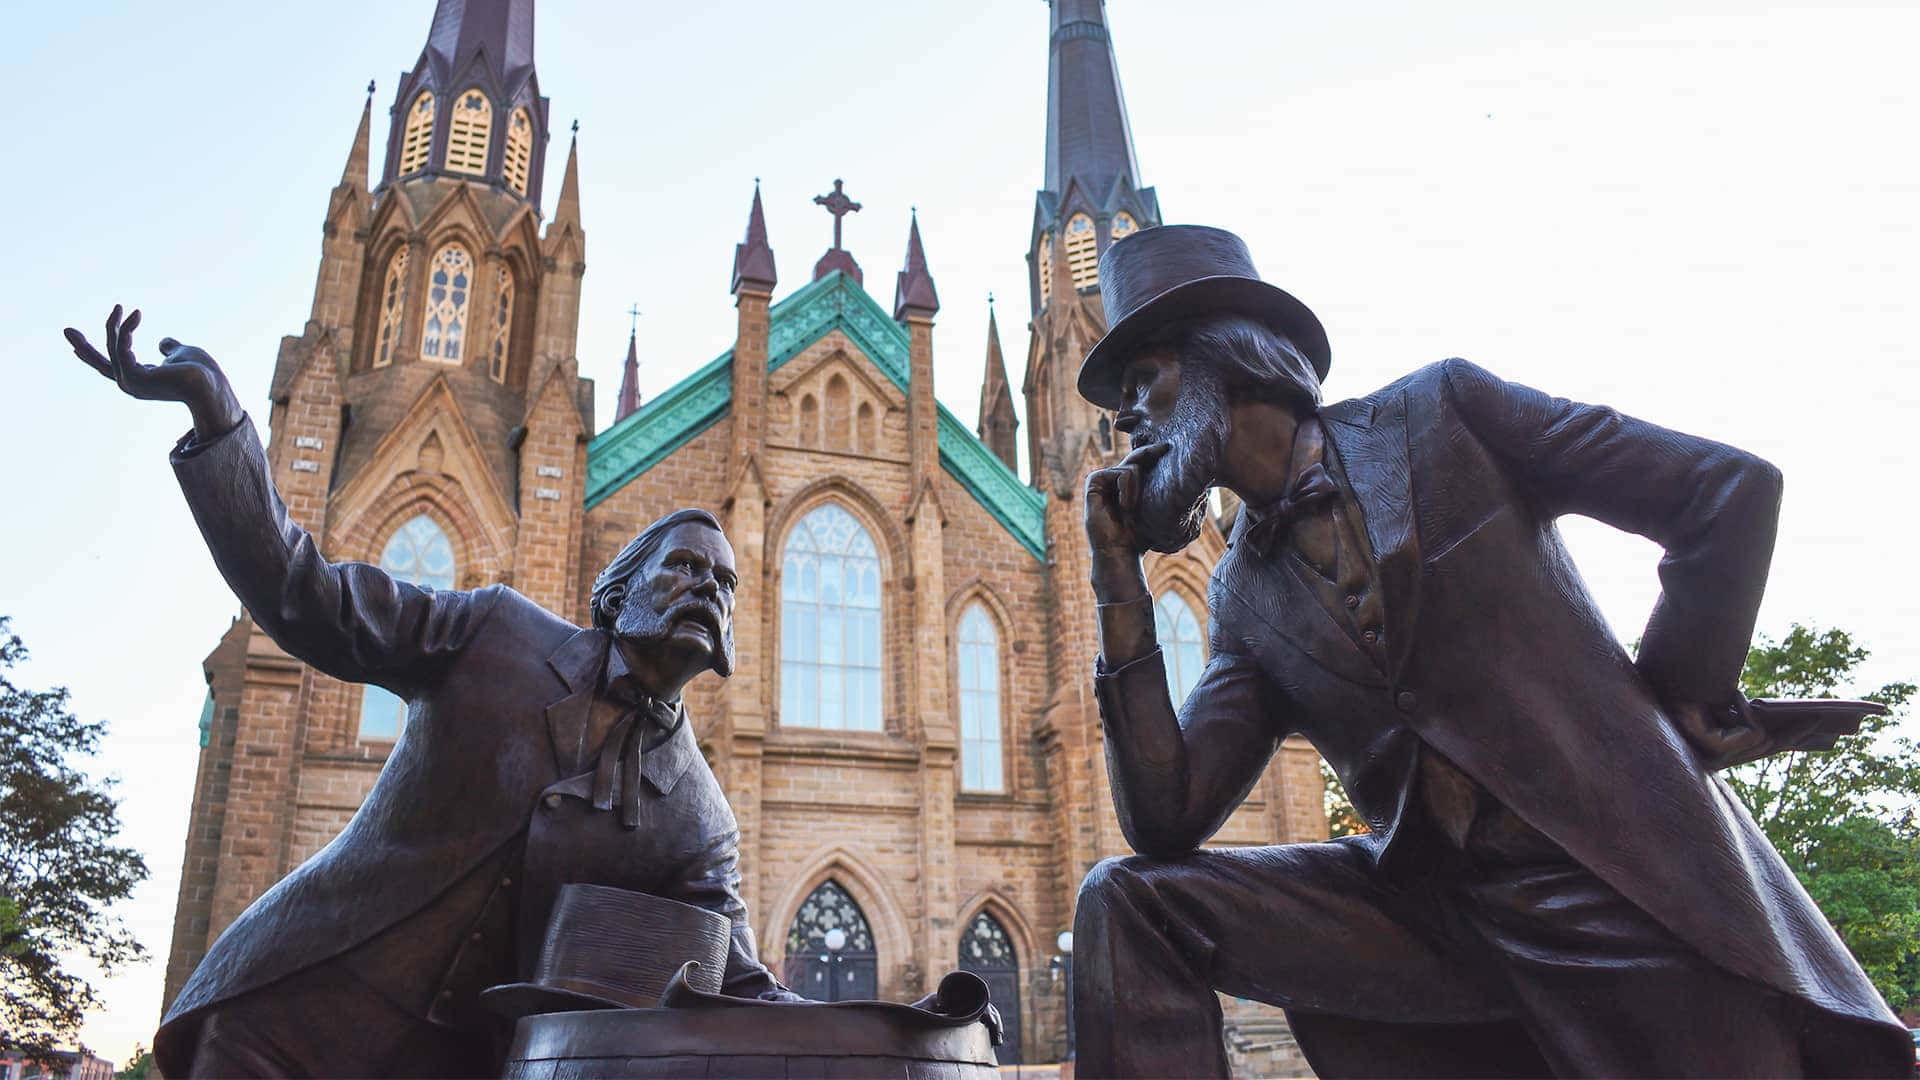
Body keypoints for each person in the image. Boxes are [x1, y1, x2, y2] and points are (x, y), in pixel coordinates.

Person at [1068, 227, 1914, 1077]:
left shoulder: (1444, 414)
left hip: (1614, 880)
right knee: (1135, 902)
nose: (1124, 418)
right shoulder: (1241, 594)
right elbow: (1166, 819)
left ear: (1230, 361)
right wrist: (1117, 580)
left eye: (1144, 381)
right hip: (1432, 913)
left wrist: (1674, 706)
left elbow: (1727, 493)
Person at [63, 309, 797, 1078]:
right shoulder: (491, 633)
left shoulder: (699, 815)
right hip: (291, 1022)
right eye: (683, 567)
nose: (705, 590)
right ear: (616, 597)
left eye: (723, 583)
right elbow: (305, 595)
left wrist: (903, 1028)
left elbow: (736, 977)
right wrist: (219, 426)